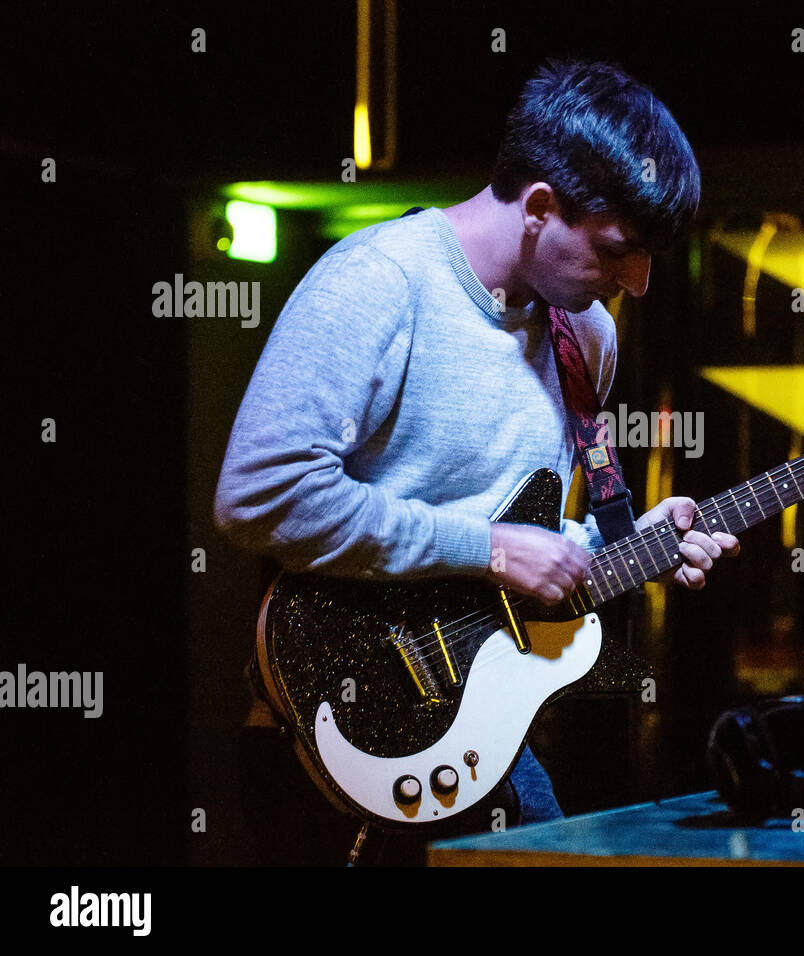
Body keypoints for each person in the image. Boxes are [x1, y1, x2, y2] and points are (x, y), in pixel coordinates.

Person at [215, 59, 739, 864]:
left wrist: (628, 543)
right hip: (334, 740)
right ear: (539, 207)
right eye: (619, 250)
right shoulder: (380, 281)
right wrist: (489, 549)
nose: (635, 283)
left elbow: (528, 541)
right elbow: (259, 493)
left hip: (482, 747)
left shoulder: (583, 335)